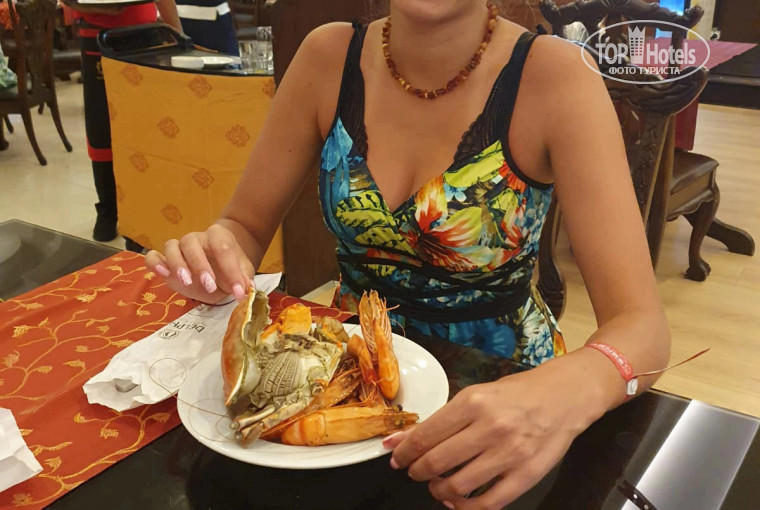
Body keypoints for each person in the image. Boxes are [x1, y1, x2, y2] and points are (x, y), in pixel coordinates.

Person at [145, 1, 671, 507]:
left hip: (506, 408)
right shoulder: (327, 56)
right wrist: (217, 262)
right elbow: (244, 226)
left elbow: (642, 328)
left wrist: (574, 387)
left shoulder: (557, 75)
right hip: (342, 386)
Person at [62, 0, 182, 242]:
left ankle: (143, 207)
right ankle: (107, 209)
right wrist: (90, 7)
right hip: (96, 34)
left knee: (144, 125)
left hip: (143, 33)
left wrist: (177, 36)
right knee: (101, 124)